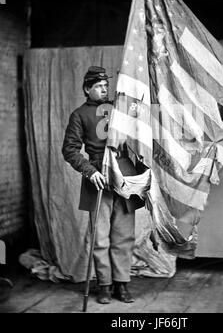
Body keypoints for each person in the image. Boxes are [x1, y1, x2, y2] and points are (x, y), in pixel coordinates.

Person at [62, 66, 136, 304]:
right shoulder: (79, 115)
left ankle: (122, 285)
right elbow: (70, 150)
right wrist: (89, 171)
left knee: (124, 234)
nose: (105, 89)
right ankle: (105, 285)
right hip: (98, 179)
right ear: (87, 89)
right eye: (98, 86)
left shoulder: (121, 109)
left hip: (124, 178)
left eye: (106, 85)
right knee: (101, 236)